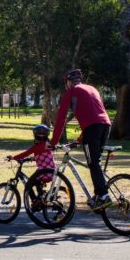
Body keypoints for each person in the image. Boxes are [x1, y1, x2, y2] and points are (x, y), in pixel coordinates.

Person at [50, 68, 112, 210]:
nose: (65, 85)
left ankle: (103, 196)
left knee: (93, 163)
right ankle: (98, 195)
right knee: (96, 161)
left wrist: (54, 142)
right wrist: (80, 139)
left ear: (68, 82)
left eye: (65, 83)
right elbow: (94, 114)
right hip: (106, 125)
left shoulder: (70, 93)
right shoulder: (92, 89)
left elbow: (61, 120)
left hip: (93, 128)